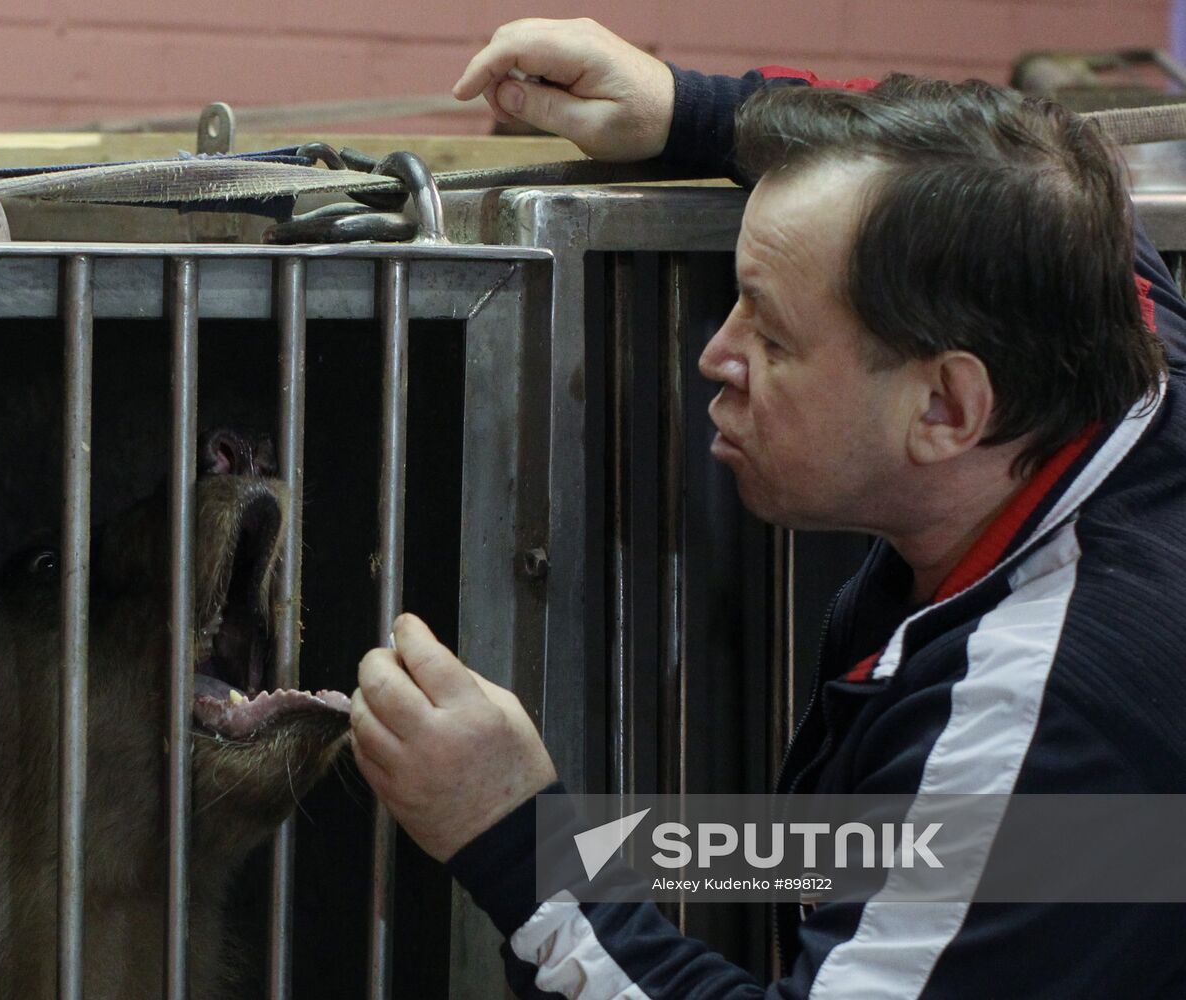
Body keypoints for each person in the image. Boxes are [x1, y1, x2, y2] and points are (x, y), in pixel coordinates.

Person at [349, 18, 1186, 998]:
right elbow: (983, 144)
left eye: (772, 334)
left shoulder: (1037, 718)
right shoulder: (1095, 306)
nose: (715, 354)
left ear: (945, 406)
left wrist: (514, 843)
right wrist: (682, 107)